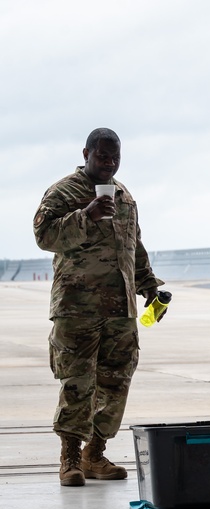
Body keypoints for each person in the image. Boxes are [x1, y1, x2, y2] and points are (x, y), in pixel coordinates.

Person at [33, 128, 165, 486]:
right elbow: (44, 236)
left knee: (116, 381)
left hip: (120, 309)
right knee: (77, 383)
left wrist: (150, 287)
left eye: (114, 158)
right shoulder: (64, 192)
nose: (109, 164)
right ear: (86, 154)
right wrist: (85, 216)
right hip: (77, 306)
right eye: (102, 156)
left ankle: (95, 452)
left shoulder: (124, 197)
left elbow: (133, 247)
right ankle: (70, 456)